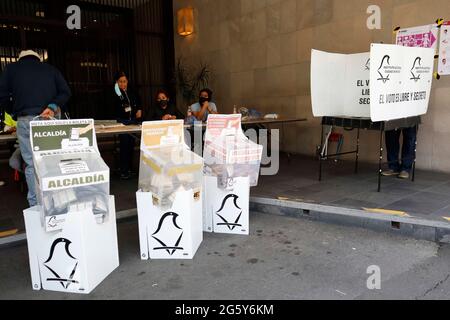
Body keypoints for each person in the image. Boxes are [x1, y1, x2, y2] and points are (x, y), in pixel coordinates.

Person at [0, 50, 71, 206]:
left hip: (25, 120)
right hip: (49, 119)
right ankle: (56, 202)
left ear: (21, 59)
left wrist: (14, 111)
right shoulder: (51, 69)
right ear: (38, 59)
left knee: (31, 164)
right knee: (51, 161)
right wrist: (52, 106)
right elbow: (66, 92)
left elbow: (2, 95)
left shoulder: (11, 69)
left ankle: (36, 204)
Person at [113, 71, 142, 180]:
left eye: (124, 81)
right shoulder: (116, 93)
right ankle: (123, 170)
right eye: (120, 82)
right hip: (122, 122)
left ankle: (129, 168)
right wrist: (117, 91)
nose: (123, 84)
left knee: (131, 144)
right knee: (124, 145)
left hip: (132, 121)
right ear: (116, 82)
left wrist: (139, 108)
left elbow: (138, 101)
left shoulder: (131, 92)